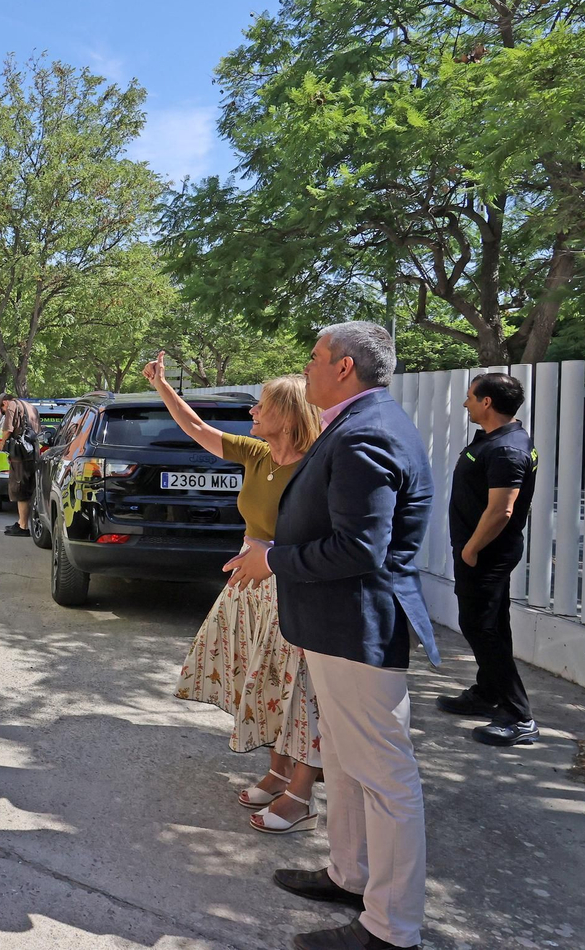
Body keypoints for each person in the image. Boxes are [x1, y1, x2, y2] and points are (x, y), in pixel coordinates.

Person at [227, 321, 434, 950]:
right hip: (334, 625)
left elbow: (360, 548)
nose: (306, 368)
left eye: (315, 358)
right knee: (342, 761)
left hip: (357, 627)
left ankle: (391, 928)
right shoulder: (355, 424)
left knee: (384, 778)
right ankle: (350, 875)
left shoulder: (367, 433)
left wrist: (272, 559)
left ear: (344, 367)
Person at [149, 354, 325, 834]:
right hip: (251, 586)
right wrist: (162, 385)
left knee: (300, 691)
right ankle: (279, 773)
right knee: (264, 680)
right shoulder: (257, 454)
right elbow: (196, 428)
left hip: (293, 586)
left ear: (288, 415)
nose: (252, 412)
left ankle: (302, 797)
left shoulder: (317, 465)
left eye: (262, 405)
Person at [439, 372, 539, 746]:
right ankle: (487, 693)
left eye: (470, 396)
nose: (465, 403)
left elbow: (501, 511)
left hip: (486, 554)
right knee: (494, 625)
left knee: (480, 626)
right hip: (484, 552)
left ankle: (518, 715)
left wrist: (471, 549)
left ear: (487, 402)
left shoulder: (507, 450)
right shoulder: (497, 438)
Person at [0, 393, 39, 536]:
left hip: (21, 455)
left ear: (4, 402)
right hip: (32, 452)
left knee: (19, 489)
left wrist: (2, 442)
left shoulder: (12, 405)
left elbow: (8, 429)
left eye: (2, 410)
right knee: (28, 489)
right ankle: (22, 522)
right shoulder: (30, 407)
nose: (4, 411)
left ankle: (23, 527)